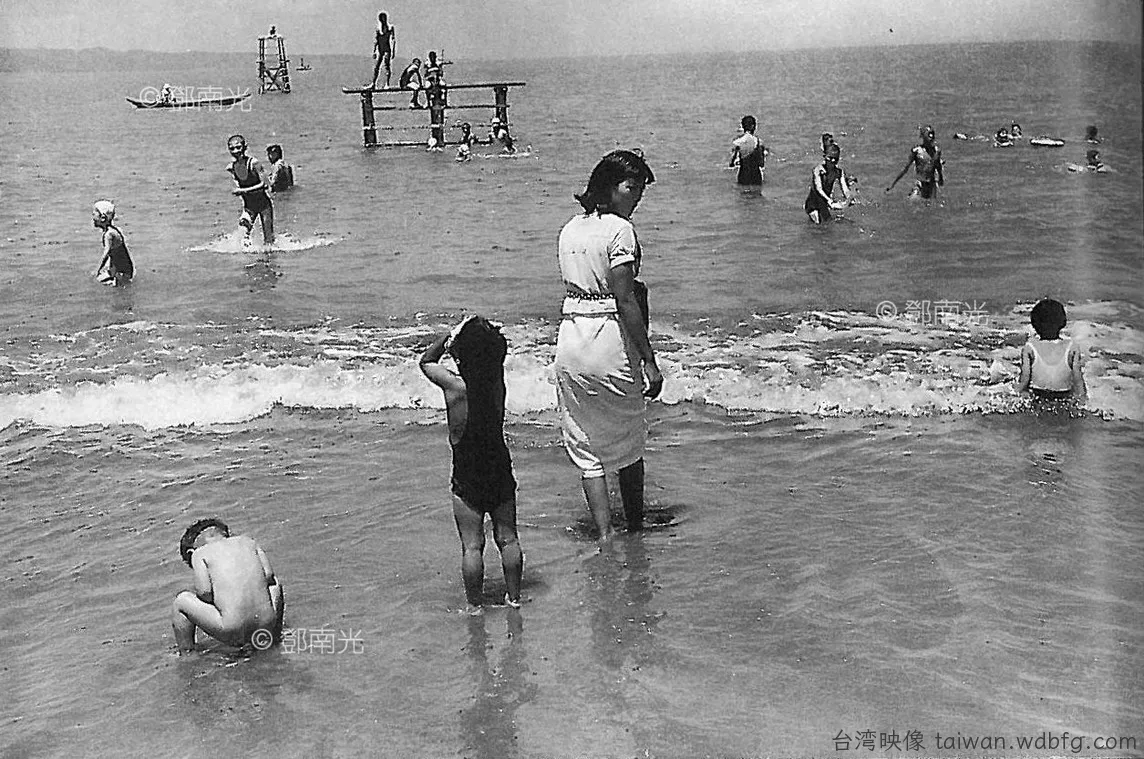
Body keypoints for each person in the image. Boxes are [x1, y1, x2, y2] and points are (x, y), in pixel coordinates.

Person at [554, 150, 662, 541]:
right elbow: (625, 299)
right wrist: (649, 360)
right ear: (609, 187)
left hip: (570, 341)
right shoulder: (620, 231)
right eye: (632, 188)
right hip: (608, 340)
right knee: (629, 440)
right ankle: (634, 526)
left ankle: (603, 533)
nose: (638, 196)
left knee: (587, 445)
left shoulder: (570, 229)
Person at [420, 316, 523, 612]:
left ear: (460, 354)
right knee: (508, 539)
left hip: (467, 473)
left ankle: (475, 605)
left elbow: (426, 361)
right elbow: (494, 352)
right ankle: (514, 597)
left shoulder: (455, 388)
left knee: (472, 545)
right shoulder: (497, 384)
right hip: (499, 467)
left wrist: (449, 336)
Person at [171, 518, 284, 653]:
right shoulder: (249, 542)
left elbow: (205, 592)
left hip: (233, 628)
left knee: (181, 602)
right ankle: (274, 638)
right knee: (275, 585)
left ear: (190, 552)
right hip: (267, 623)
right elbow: (269, 575)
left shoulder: (199, 553)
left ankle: (187, 652)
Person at [1016, 298, 1087, 404]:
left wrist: (1014, 392)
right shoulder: (1072, 347)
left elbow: (1024, 380)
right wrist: (1083, 400)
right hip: (1063, 398)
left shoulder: (1030, 348)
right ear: (1063, 322)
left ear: (1034, 324)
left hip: (1038, 398)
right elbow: (1078, 382)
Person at [226, 134, 274, 245]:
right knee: (242, 237)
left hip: (264, 206)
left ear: (245, 147)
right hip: (249, 207)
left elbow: (265, 184)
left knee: (268, 241)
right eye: (232, 148)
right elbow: (236, 187)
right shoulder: (231, 168)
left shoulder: (254, 163)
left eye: (238, 147)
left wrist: (243, 191)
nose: (235, 151)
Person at [886, 124, 944, 199]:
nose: (931, 136)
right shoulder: (917, 151)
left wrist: (940, 177)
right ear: (922, 136)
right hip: (920, 183)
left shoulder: (936, 151)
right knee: (913, 200)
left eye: (932, 134)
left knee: (930, 204)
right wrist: (893, 184)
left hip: (932, 184)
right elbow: (905, 168)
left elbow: (938, 165)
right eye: (928, 134)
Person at [804, 143, 853, 223]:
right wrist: (829, 200)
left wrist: (849, 199)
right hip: (812, 204)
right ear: (825, 157)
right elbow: (819, 189)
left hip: (824, 203)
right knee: (818, 224)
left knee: (828, 224)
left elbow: (845, 189)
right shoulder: (818, 170)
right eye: (830, 158)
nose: (833, 161)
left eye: (835, 159)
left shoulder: (839, 172)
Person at [91, 200, 134, 286]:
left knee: (97, 281)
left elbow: (106, 253)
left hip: (122, 272)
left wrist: (97, 270)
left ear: (103, 218)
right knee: (100, 281)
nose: (93, 218)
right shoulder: (112, 230)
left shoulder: (109, 234)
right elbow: (114, 253)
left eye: (94, 215)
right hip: (121, 269)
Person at [728, 115, 766, 187]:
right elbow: (761, 163)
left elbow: (731, 163)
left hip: (743, 174)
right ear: (753, 126)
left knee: (742, 192)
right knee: (757, 193)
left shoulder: (738, 142)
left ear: (743, 126)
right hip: (755, 175)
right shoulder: (758, 142)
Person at [369, 13, 395, 88]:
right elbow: (376, 40)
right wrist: (374, 51)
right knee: (377, 66)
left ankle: (387, 83)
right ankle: (373, 83)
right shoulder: (378, 29)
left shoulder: (390, 27)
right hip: (380, 49)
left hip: (387, 49)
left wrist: (393, 51)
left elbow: (393, 40)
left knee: (387, 66)